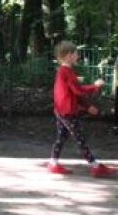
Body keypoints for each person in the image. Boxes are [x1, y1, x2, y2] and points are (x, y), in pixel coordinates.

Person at [48, 41, 115, 177]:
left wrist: (87, 106)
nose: (78, 55)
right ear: (68, 55)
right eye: (75, 53)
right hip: (66, 112)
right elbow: (78, 90)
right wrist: (95, 86)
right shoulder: (65, 71)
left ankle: (53, 163)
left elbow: (73, 93)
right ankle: (95, 166)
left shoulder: (64, 71)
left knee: (61, 137)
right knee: (79, 138)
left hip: (61, 110)